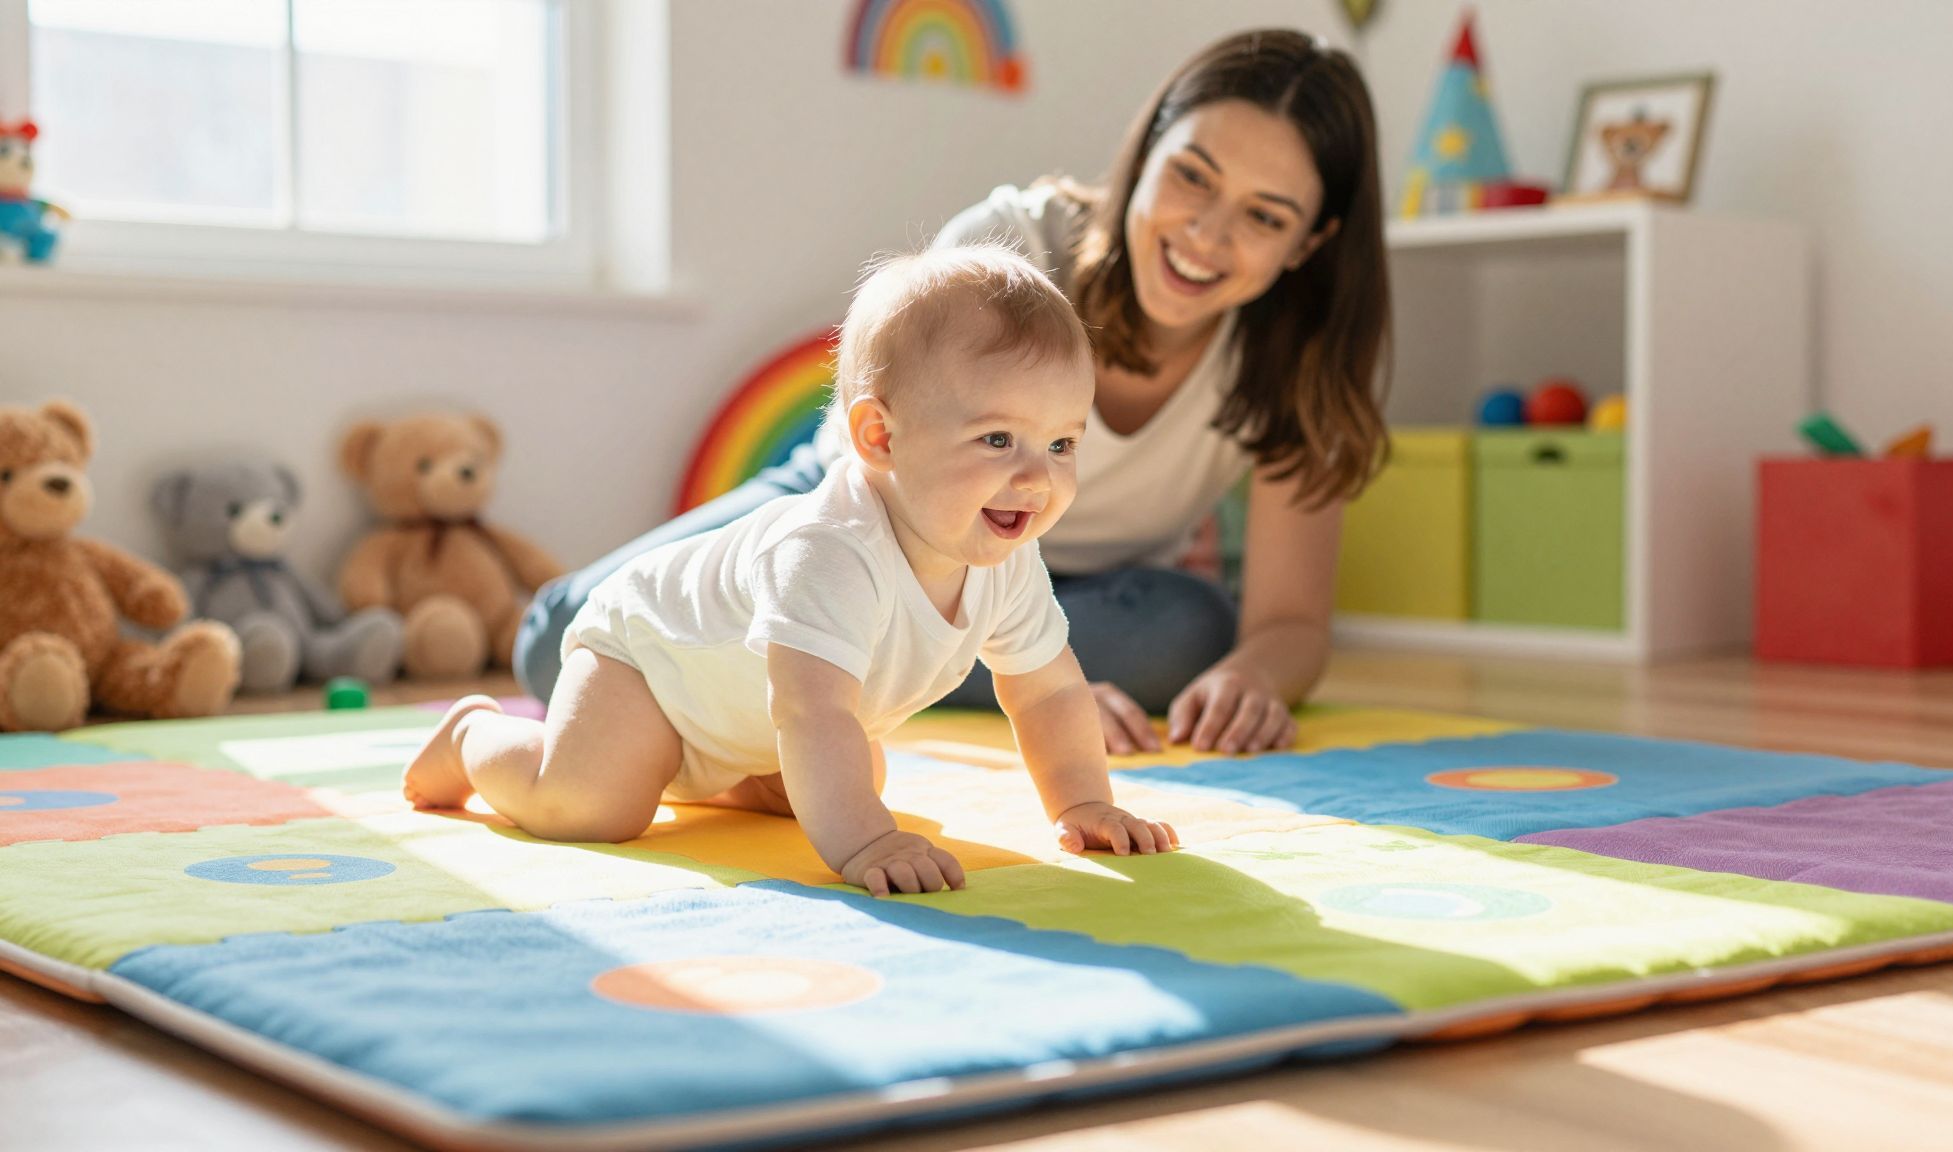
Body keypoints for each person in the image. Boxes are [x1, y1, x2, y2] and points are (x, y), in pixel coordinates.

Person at [515, 28, 1391, 758]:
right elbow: (883, 474)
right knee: (564, 643)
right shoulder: (1013, 249)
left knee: (1193, 631)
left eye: (1264, 216)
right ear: (1145, 151)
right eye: (1192, 174)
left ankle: (891, 664)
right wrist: (1047, 681)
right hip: (868, 521)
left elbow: (1290, 621)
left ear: (1310, 242)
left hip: (1067, 586)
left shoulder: (1297, 362)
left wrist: (1250, 678)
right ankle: (918, 660)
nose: (1206, 231)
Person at [405, 247, 1179, 897]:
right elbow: (810, 713)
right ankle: (473, 736)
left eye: (1062, 445)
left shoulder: (1004, 554)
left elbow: (1048, 692)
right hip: (647, 665)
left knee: (850, 770)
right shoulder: (830, 550)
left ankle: (731, 777)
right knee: (592, 807)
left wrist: (1083, 802)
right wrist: (867, 843)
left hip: (746, 713)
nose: (1037, 479)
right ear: (879, 437)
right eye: (998, 440)